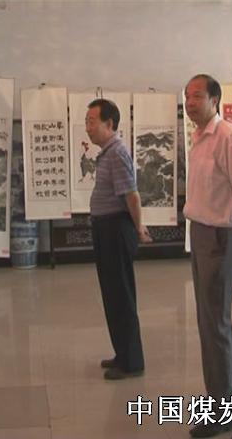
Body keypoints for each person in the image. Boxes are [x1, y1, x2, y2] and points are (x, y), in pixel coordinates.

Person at [183, 74, 232, 438]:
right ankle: (221, 397)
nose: (190, 102)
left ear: (215, 100)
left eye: (197, 96)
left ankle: (226, 407)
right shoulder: (199, 136)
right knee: (207, 321)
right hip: (201, 232)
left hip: (222, 236)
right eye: (187, 96)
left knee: (216, 322)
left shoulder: (227, 135)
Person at [87, 99, 152, 380]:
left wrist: (139, 228)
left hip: (116, 229)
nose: (88, 127)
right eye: (87, 121)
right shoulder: (107, 153)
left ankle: (132, 362)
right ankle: (122, 354)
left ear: (110, 124)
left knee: (121, 296)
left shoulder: (117, 153)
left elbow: (132, 195)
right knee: (112, 295)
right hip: (105, 228)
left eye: (92, 121)